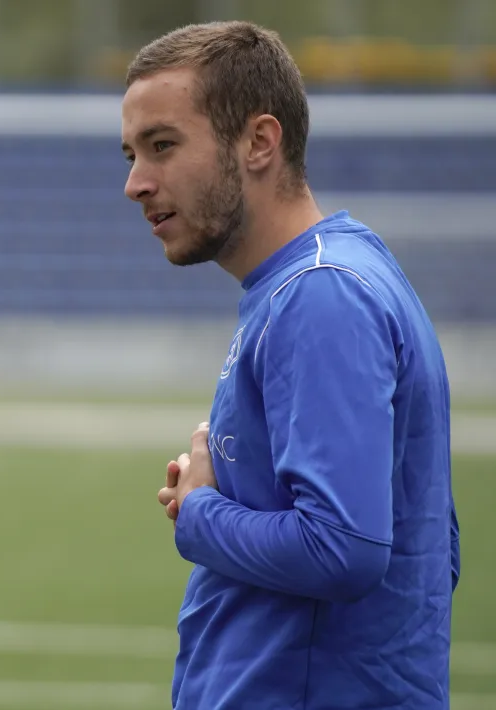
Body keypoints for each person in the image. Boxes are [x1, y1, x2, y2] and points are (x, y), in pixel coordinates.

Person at [120, 21, 460, 710]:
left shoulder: (321, 294)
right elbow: (432, 541)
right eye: (131, 154)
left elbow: (343, 549)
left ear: (259, 142)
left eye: (162, 146)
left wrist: (200, 513)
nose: (135, 183)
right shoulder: (321, 277)